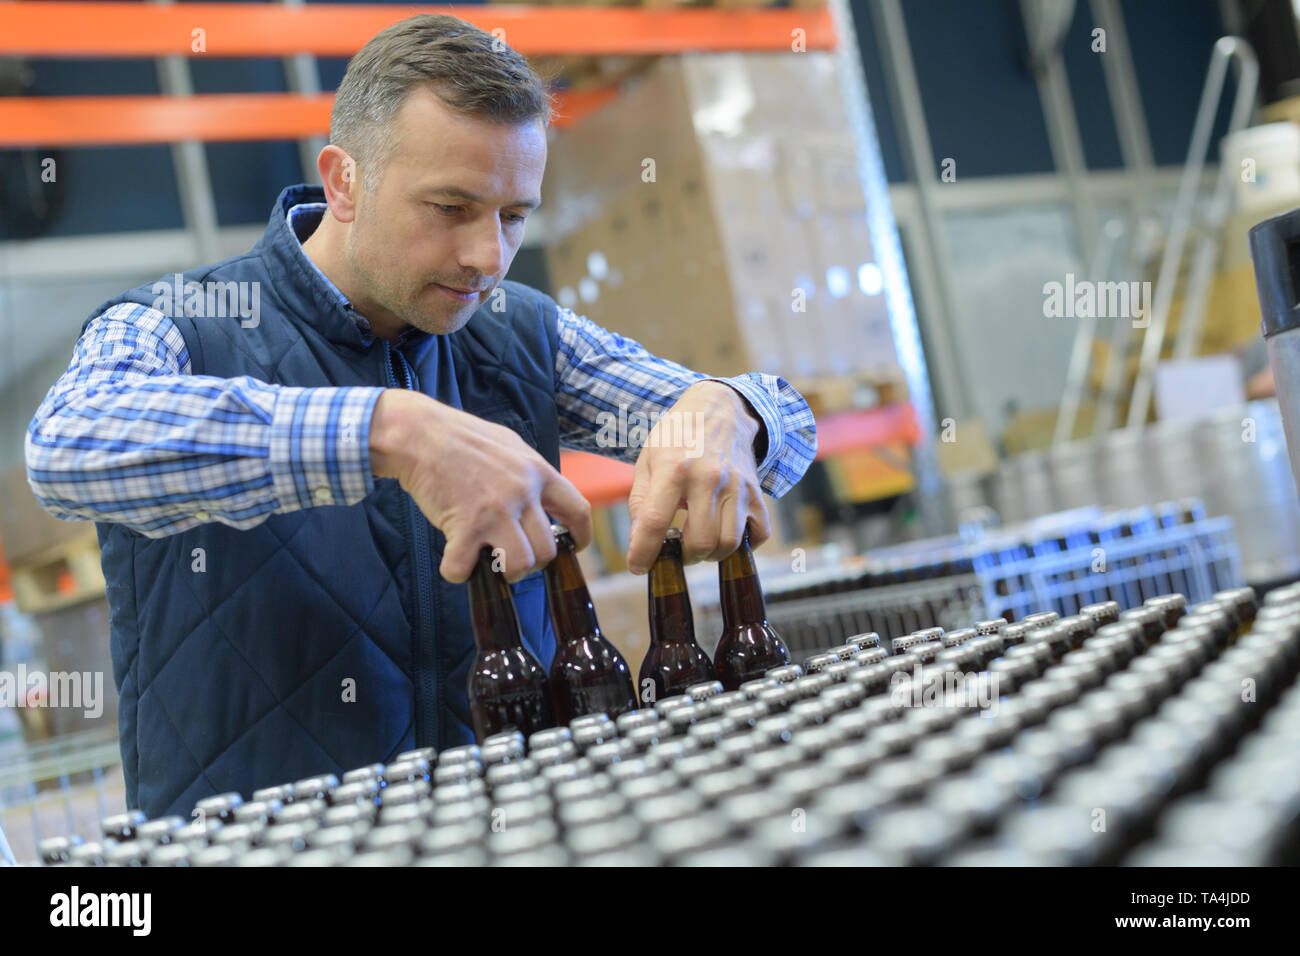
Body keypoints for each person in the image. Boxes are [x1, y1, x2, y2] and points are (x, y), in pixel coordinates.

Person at [24, 14, 817, 818]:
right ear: (343, 182)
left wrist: (730, 411)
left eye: (514, 216)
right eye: (450, 207)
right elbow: (67, 447)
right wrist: (387, 431)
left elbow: (786, 429)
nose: (487, 257)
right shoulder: (182, 322)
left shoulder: (516, 331)